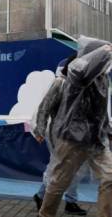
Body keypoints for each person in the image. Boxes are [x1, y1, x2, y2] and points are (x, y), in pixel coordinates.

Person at [38, 36, 112, 217]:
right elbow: (45, 107)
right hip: (72, 139)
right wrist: (104, 51)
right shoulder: (74, 72)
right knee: (58, 182)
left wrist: (108, 132)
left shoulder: (103, 79)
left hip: (96, 139)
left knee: (110, 177)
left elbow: (101, 111)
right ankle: (45, 214)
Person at [32, 54, 87, 216]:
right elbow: (45, 107)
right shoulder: (60, 83)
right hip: (59, 134)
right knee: (58, 167)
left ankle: (67, 201)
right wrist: (40, 130)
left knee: (73, 169)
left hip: (78, 134)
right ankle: (49, 198)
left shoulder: (84, 85)